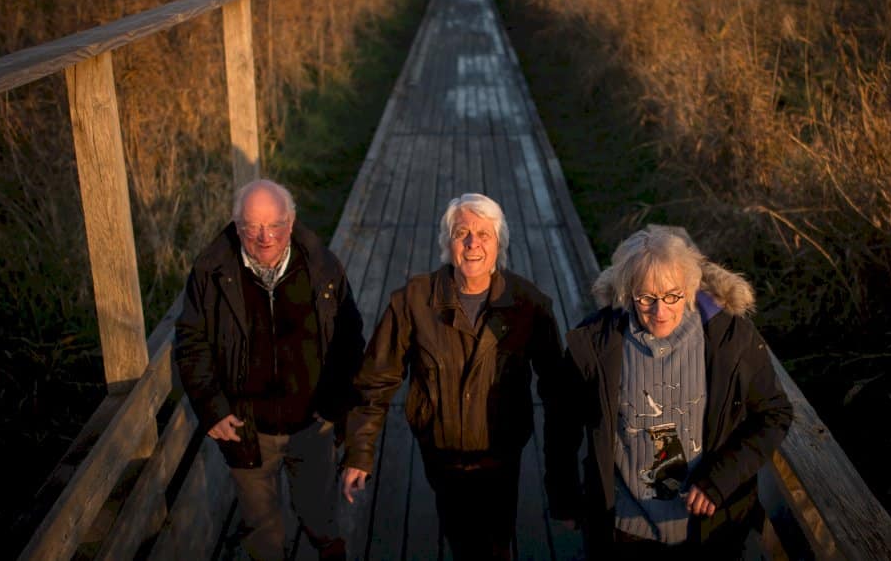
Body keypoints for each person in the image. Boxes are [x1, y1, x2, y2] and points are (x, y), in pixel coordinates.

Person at [339, 193, 564, 561]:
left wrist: (563, 475)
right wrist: (359, 452)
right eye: (462, 233)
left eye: (484, 234)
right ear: (448, 243)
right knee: (460, 539)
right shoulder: (413, 300)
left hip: (501, 459)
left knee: (496, 543)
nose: (473, 243)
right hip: (441, 457)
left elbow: (557, 388)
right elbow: (376, 380)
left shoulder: (529, 304)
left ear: (499, 244)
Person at [547, 225, 793, 559]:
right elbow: (562, 425)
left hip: (709, 531)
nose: (659, 311)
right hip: (624, 532)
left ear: (690, 289)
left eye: (672, 296)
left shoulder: (730, 340)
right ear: (627, 293)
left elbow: (774, 414)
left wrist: (720, 479)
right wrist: (564, 499)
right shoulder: (596, 343)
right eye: (646, 298)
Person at [174, 179, 365, 561]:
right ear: (236, 224)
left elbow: (350, 339)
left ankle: (330, 547)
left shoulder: (322, 266)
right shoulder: (211, 272)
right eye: (252, 227)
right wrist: (212, 408)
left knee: (319, 514)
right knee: (261, 528)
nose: (265, 237)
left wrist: (335, 406)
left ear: (291, 223)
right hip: (247, 428)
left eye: (275, 225)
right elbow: (191, 342)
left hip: (312, 423)